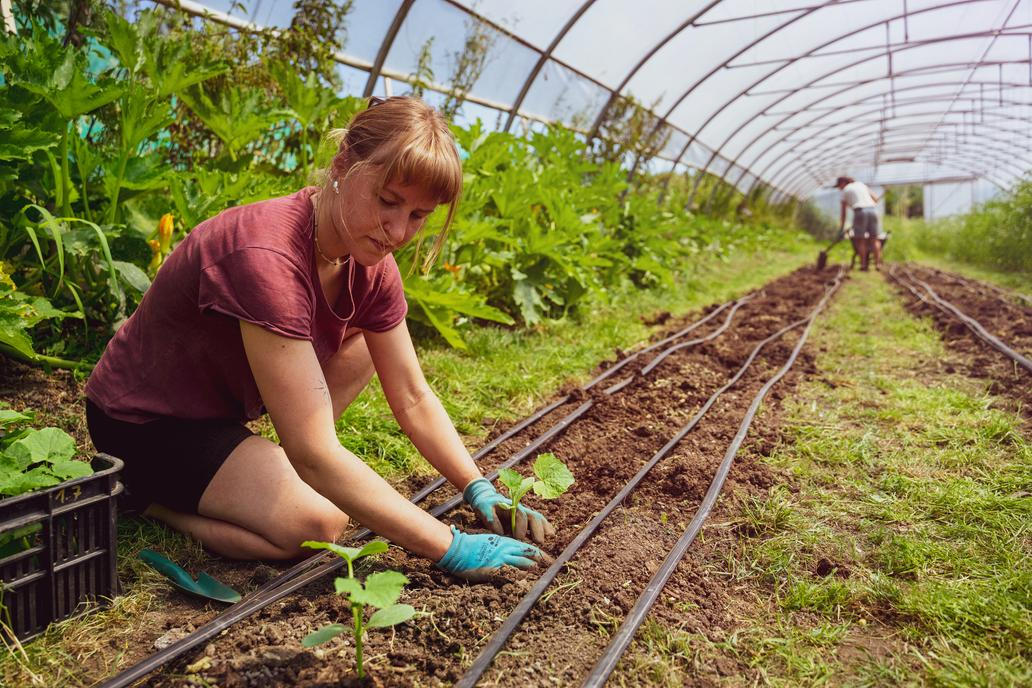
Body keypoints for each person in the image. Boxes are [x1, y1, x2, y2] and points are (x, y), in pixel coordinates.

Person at [84, 96, 552, 582]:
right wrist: (448, 547)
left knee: (364, 349)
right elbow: (312, 452)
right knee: (318, 522)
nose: (397, 231)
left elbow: (413, 396)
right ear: (344, 163)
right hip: (143, 422)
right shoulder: (268, 254)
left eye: (418, 215)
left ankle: (256, 477)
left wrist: (476, 486)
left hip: (215, 414)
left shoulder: (369, 265)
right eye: (388, 201)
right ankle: (144, 499)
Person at [835, 176, 881, 270]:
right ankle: (877, 264)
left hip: (860, 212)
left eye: (839, 186)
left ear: (843, 183)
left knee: (860, 240)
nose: (839, 188)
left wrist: (841, 229)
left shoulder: (845, 191)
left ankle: (863, 265)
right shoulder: (861, 184)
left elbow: (843, 214)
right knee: (874, 239)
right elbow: (876, 198)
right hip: (873, 211)